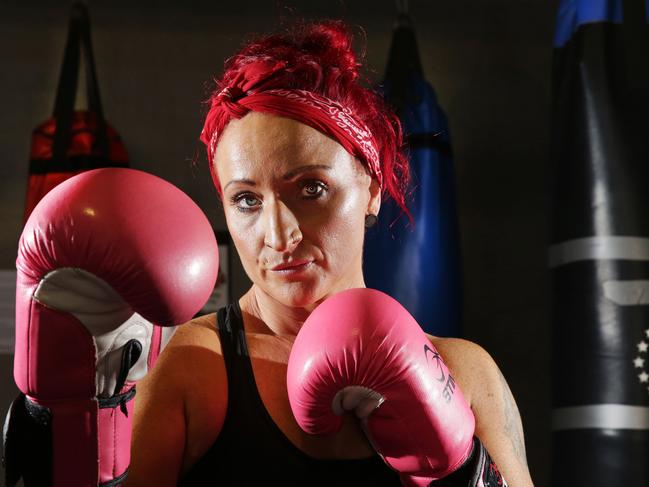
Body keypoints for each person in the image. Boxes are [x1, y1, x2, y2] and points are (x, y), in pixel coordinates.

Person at [126, 20, 535, 486]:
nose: (279, 235)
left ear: (373, 186)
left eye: (311, 188)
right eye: (247, 200)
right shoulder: (190, 370)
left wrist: (460, 470)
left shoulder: (464, 373)